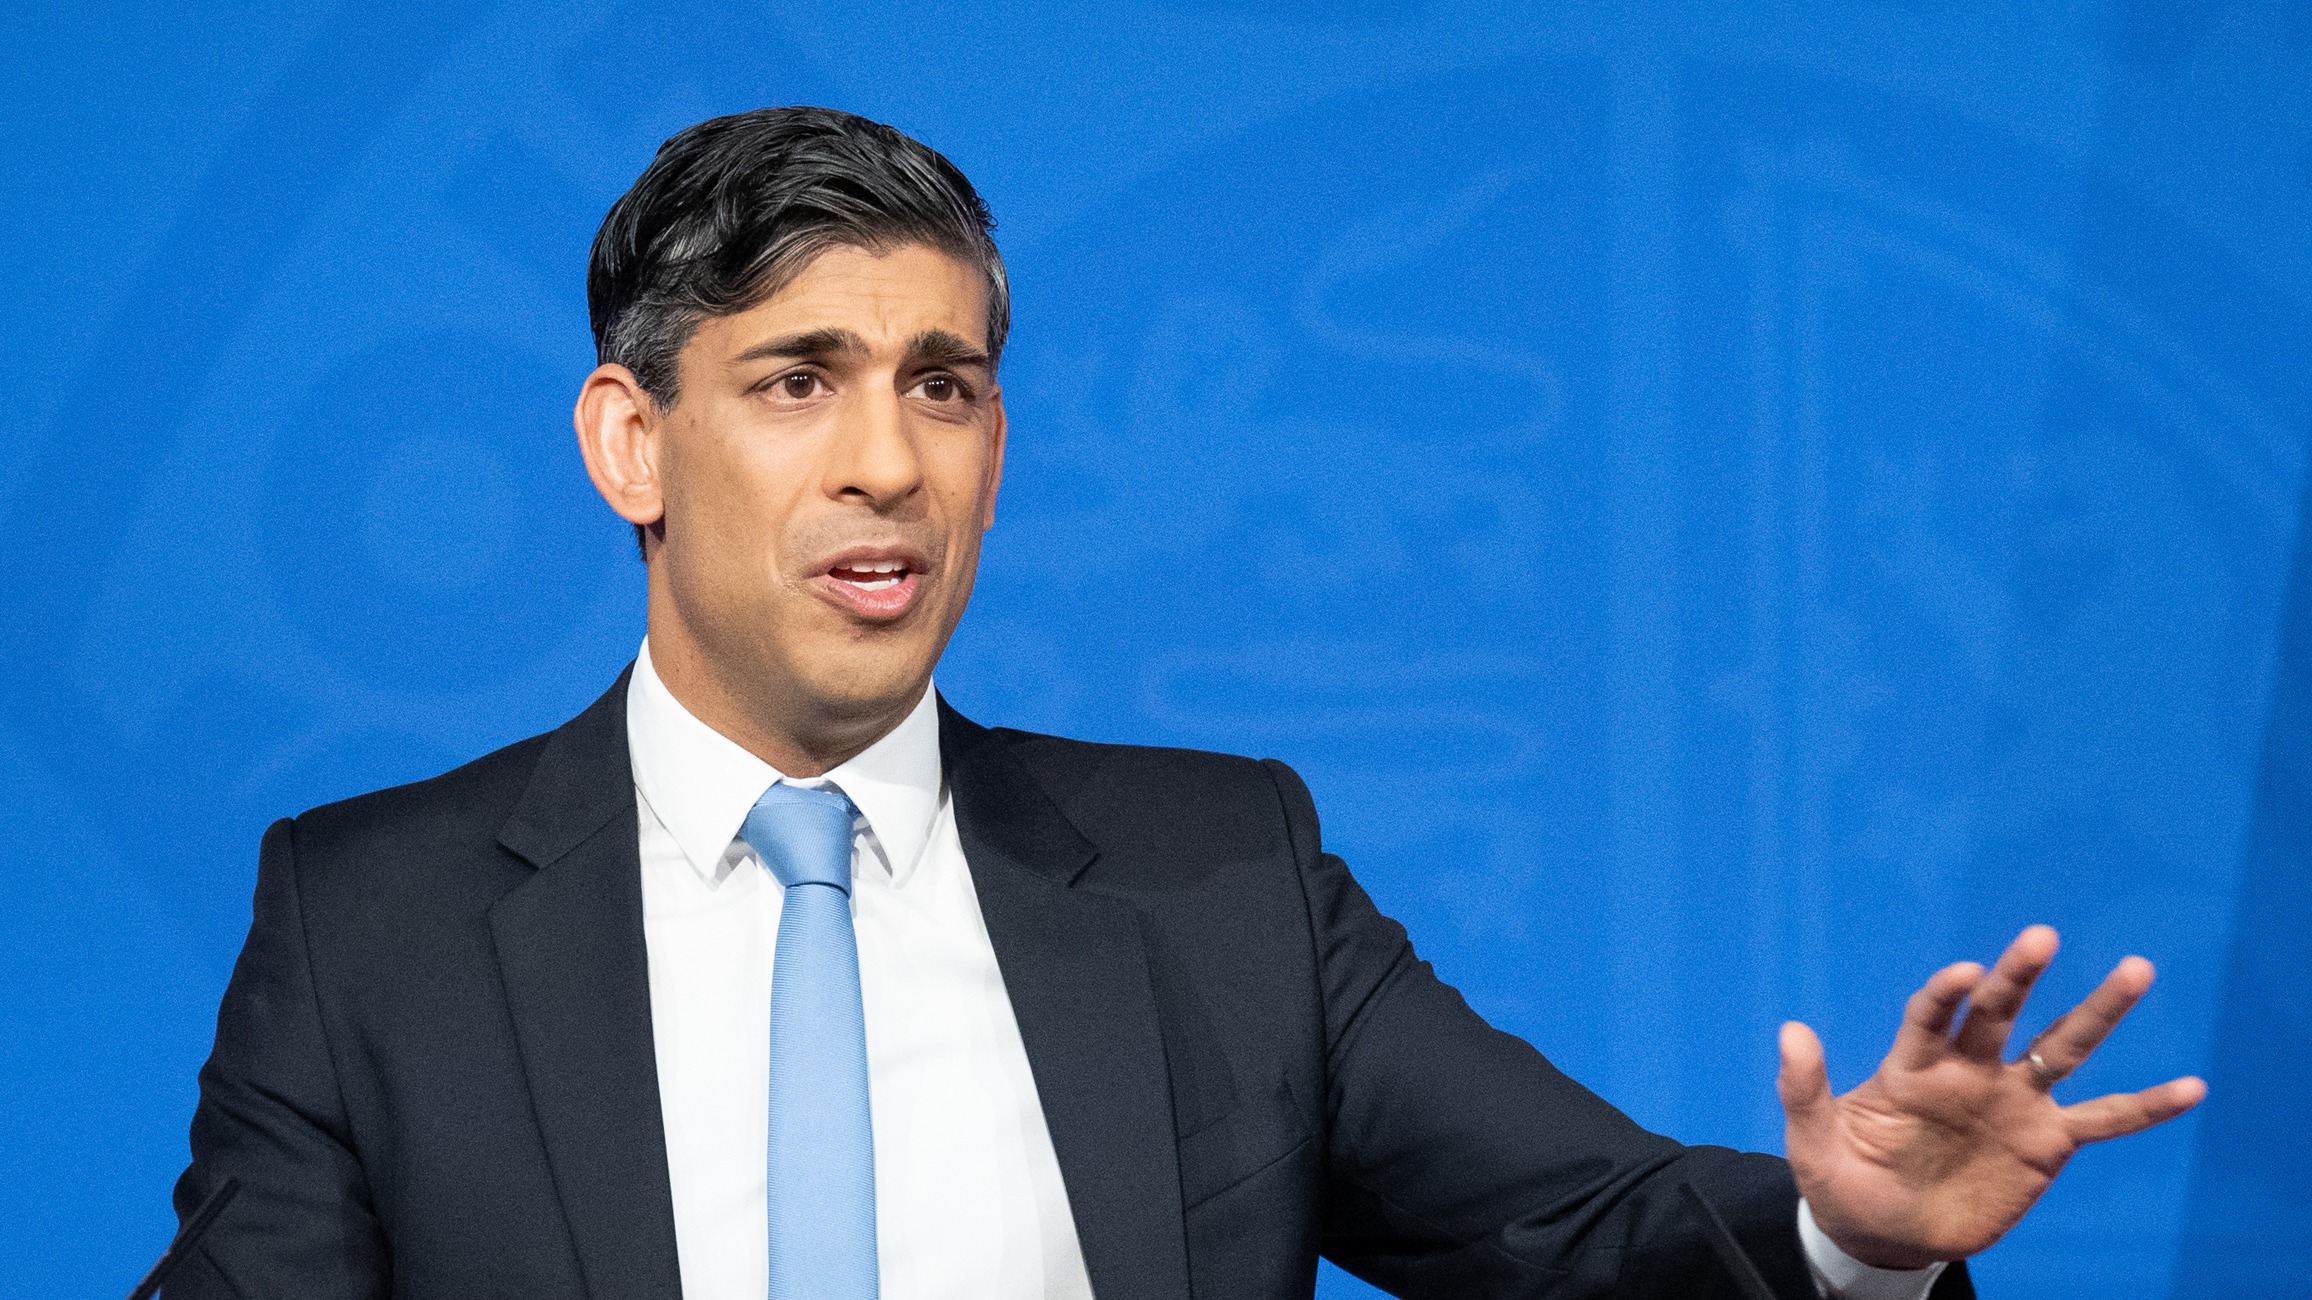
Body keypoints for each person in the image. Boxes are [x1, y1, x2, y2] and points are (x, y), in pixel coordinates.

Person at [170, 106, 2204, 1300]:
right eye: (798, 382)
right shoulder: (370, 921)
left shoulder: (1222, 873)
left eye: (945, 385)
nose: (889, 463)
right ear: (631, 440)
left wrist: (1857, 1239)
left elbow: (1583, 1230)